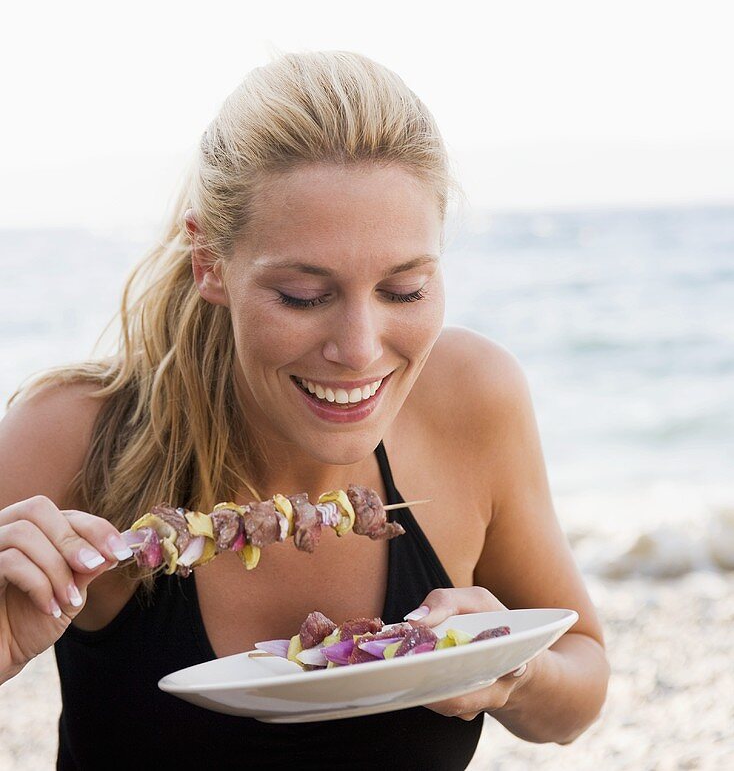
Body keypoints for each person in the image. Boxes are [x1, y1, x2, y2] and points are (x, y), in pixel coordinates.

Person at [0, 50, 609, 770]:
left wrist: (510, 672)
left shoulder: (473, 399)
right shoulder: (72, 435)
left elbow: (580, 679)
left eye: (405, 290)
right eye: (302, 295)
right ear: (209, 264)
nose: (358, 350)